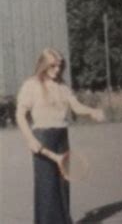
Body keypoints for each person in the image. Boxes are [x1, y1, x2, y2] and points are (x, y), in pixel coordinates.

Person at [16, 48, 105, 224]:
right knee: (47, 187)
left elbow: (77, 107)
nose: (57, 69)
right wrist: (30, 139)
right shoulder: (31, 85)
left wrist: (93, 111)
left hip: (62, 137)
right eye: (53, 65)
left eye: (60, 66)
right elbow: (20, 114)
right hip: (43, 137)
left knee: (63, 185)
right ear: (43, 65)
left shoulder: (63, 87)